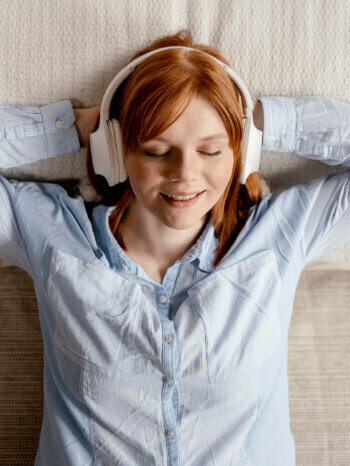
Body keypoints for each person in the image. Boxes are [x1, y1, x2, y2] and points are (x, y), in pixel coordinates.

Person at [0, 29, 349, 466]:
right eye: (156, 150)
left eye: (211, 150)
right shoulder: (51, 234)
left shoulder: (282, 234)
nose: (185, 174)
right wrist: (78, 127)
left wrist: (264, 123)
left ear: (242, 153)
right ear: (117, 152)